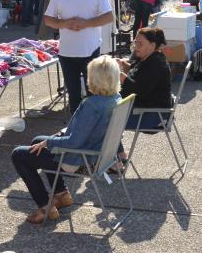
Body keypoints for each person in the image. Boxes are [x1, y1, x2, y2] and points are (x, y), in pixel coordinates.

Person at [11, 55, 121, 224]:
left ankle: (44, 207)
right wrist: (50, 140)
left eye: (89, 75)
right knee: (36, 141)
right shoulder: (115, 99)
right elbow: (84, 133)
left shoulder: (92, 105)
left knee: (18, 154)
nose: (86, 78)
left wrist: (50, 142)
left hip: (81, 159)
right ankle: (61, 194)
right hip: (98, 154)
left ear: (94, 79)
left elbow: (73, 142)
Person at [44, 0, 115, 113]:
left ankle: (95, 127)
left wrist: (86, 23)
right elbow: (48, 19)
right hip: (66, 52)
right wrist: (64, 24)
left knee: (94, 93)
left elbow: (109, 17)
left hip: (90, 51)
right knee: (74, 95)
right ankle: (76, 129)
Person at [117, 27, 172, 130]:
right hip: (145, 110)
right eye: (135, 43)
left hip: (154, 115)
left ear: (152, 45)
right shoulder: (147, 58)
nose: (136, 47)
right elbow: (137, 75)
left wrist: (122, 76)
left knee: (105, 119)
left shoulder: (156, 63)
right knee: (103, 115)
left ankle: (111, 146)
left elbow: (140, 91)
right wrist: (126, 67)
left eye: (140, 44)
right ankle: (112, 145)